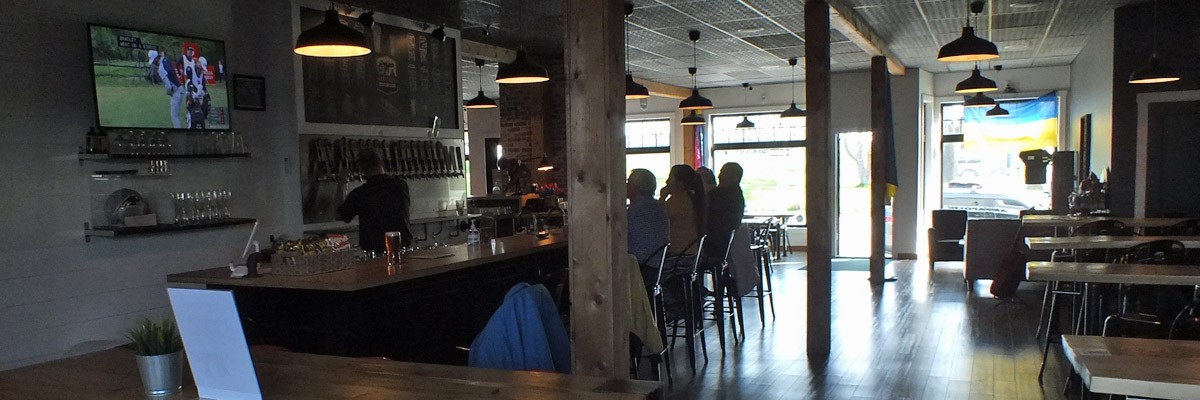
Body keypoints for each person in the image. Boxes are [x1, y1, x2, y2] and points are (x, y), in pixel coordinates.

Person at [336, 149, 413, 254]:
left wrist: (341, 183)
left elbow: (340, 215)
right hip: (403, 249)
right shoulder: (401, 186)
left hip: (376, 252)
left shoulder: (361, 193)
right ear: (382, 163)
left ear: (361, 168)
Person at [659, 165, 706, 255]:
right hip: (691, 252)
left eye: (670, 178)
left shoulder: (677, 201)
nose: (666, 182)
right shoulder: (692, 198)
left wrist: (662, 197)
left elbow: (659, 220)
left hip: (678, 254)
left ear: (680, 183)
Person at [627, 169, 669, 265]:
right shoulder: (657, 206)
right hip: (657, 264)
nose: (625, 186)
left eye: (628, 183)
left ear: (636, 187)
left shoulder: (636, 210)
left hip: (641, 266)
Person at [707, 162, 746, 241]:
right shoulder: (737, 194)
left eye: (724, 173)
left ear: (734, 177)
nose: (719, 176)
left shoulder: (722, 195)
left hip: (716, 238)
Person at [146, 50, 185, 129]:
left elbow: (168, 86)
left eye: (153, 61)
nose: (154, 63)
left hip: (176, 92)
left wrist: (168, 93)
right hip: (180, 88)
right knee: (177, 114)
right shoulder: (166, 59)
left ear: (156, 59)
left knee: (174, 116)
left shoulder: (161, 69)